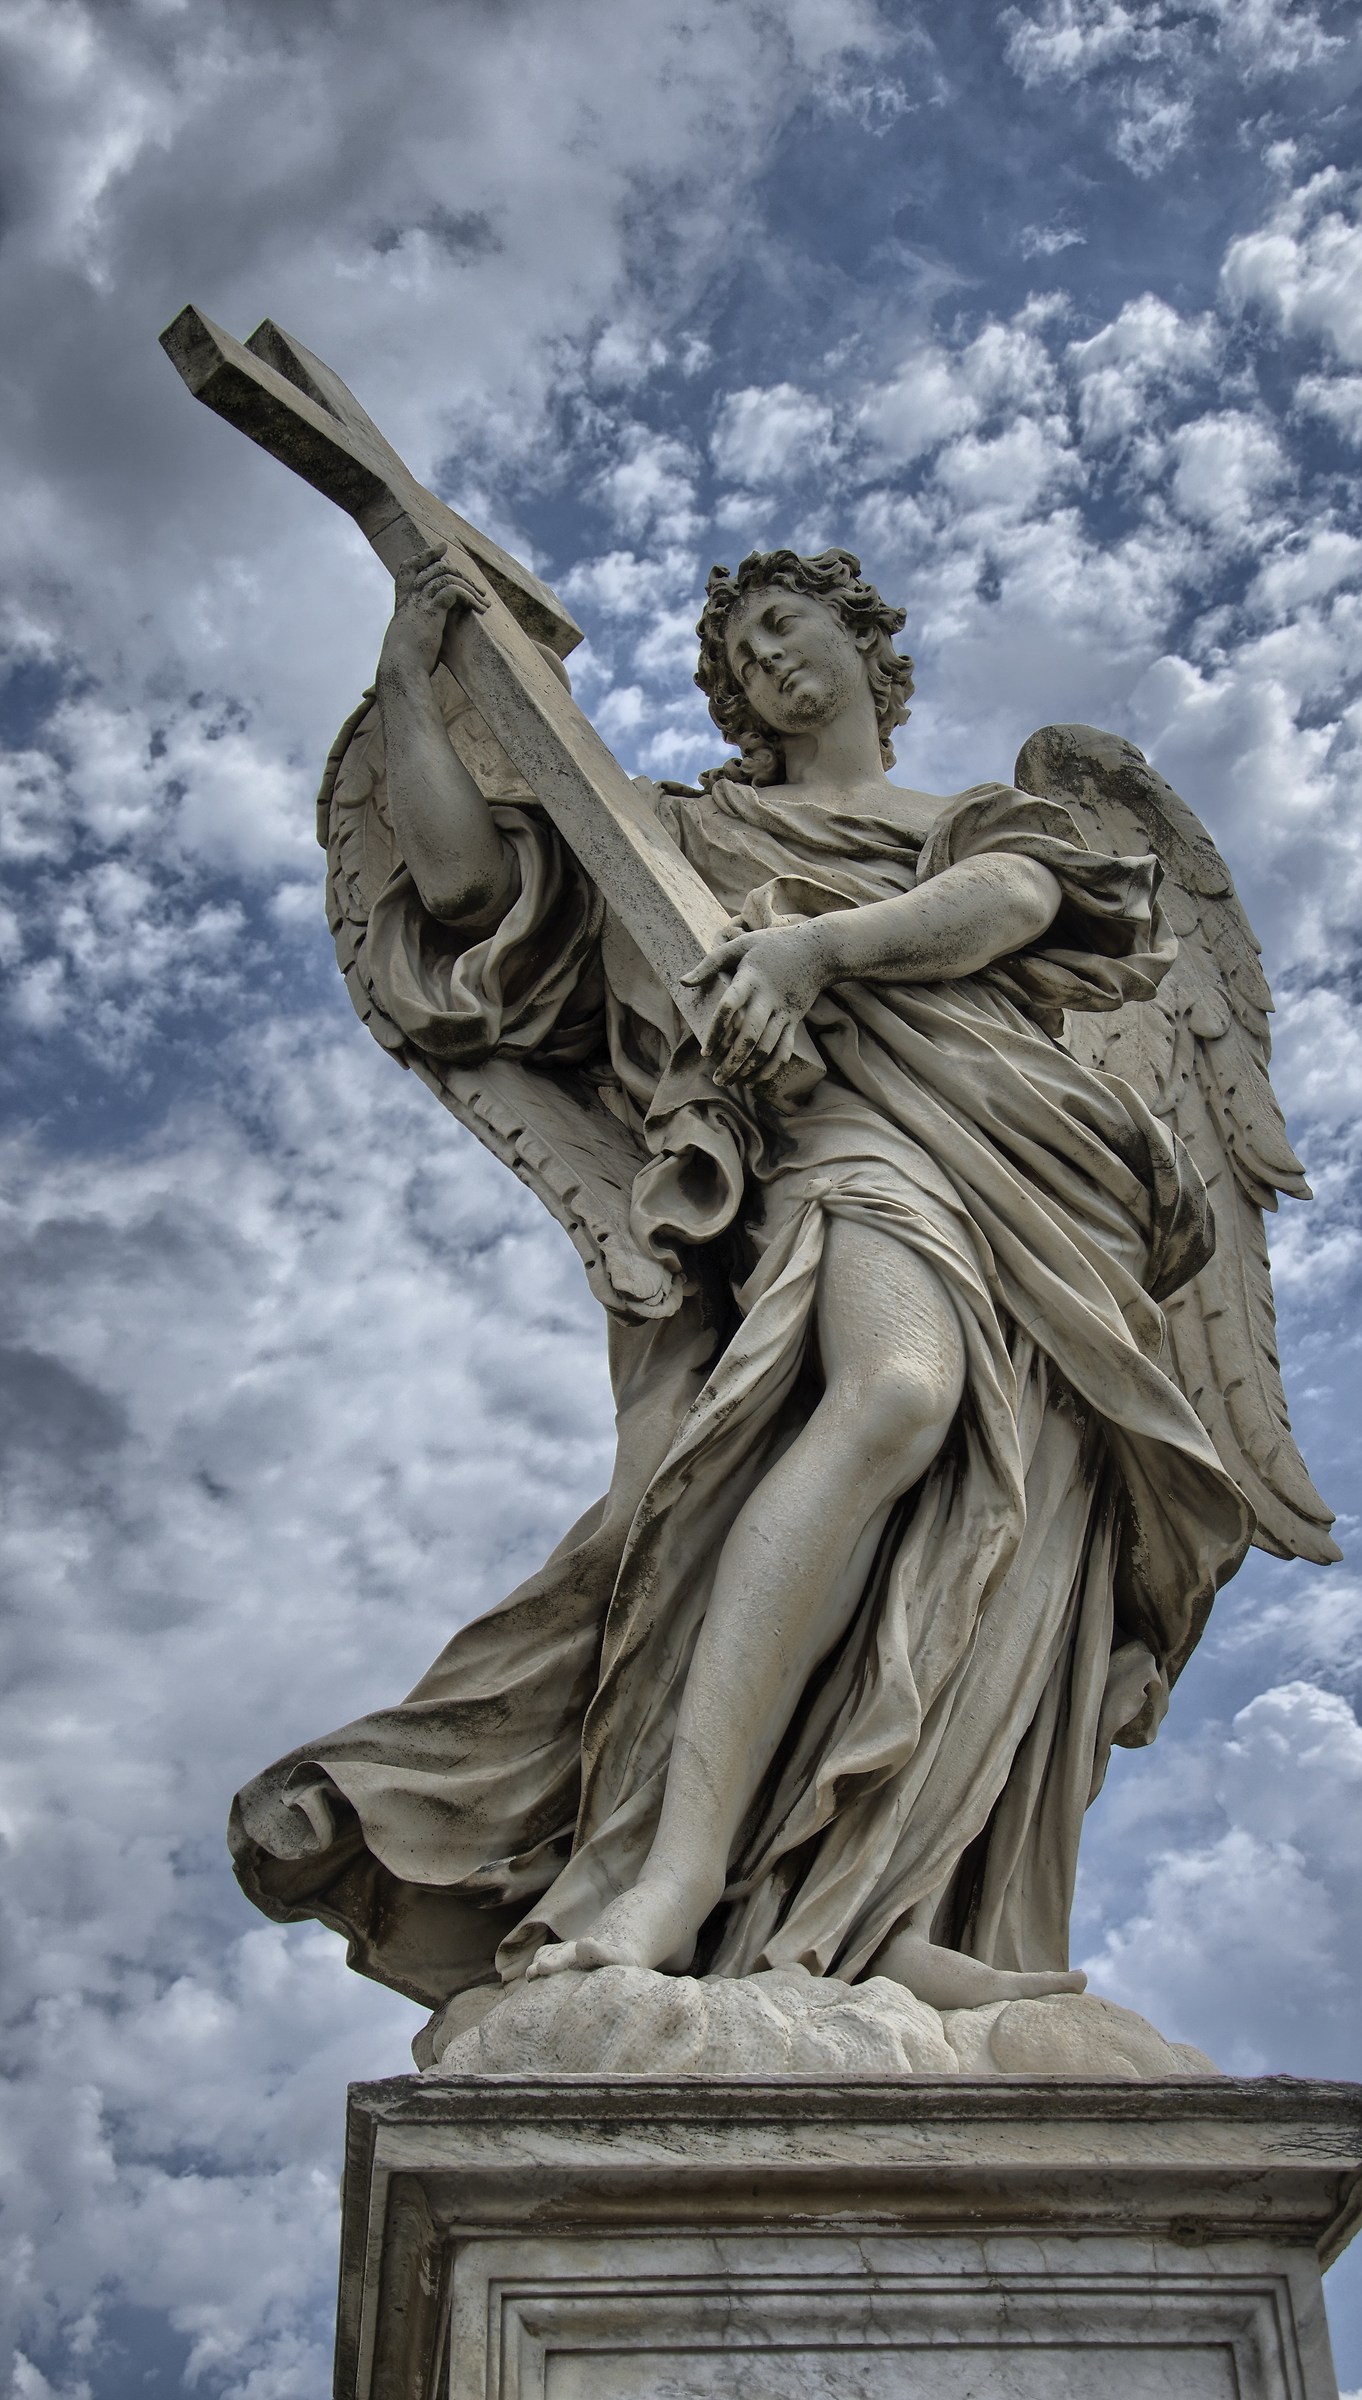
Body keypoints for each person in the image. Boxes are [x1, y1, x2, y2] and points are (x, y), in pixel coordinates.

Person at [231, 543, 1251, 2017]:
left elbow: (1013, 901)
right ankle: (677, 1870)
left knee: (1000, 1514)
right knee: (897, 1394)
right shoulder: (680, 840)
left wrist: (817, 953)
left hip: (1049, 1174)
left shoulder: (976, 821)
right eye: (737, 651)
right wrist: (414, 661)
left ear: (864, 646)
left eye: (789, 623)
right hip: (842, 1138)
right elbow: (465, 888)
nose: (765, 657)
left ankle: (864, 1898)